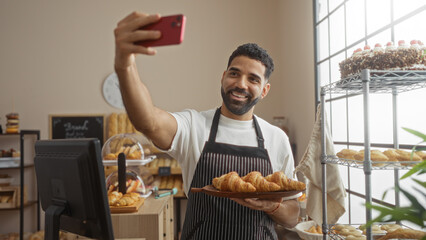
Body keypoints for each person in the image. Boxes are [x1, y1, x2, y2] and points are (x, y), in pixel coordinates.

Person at [114, 11, 300, 240]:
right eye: (234, 73)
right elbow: (149, 121)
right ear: (223, 77)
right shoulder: (194, 125)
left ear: (264, 90)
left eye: (253, 79)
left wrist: (270, 206)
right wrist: (125, 65)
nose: (241, 84)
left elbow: (292, 216)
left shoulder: (276, 138)